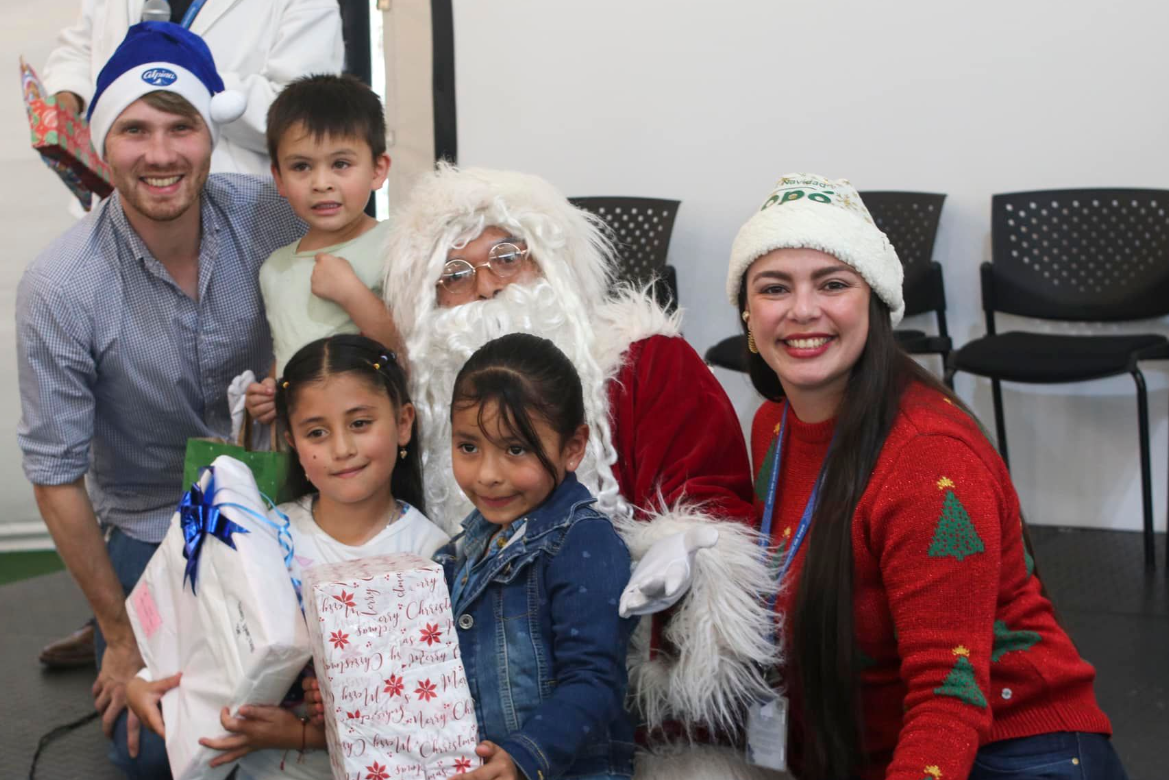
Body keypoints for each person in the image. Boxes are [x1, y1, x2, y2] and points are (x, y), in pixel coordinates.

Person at [380, 165, 778, 778]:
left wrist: (673, 551)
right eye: (454, 274)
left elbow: (714, 506)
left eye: (508, 257)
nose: (487, 286)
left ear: (553, 262)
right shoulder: (421, 413)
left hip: (636, 727)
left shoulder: (649, 362)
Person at [728, 174, 1124, 780]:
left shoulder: (928, 461)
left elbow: (950, 693)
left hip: (1011, 751)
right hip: (881, 748)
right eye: (774, 288)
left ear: (876, 305)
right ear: (749, 318)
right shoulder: (772, 429)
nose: (803, 310)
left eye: (833, 284)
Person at [16, 22, 303, 778]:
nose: (161, 153)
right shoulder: (62, 287)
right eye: (135, 129)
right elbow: (55, 478)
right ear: (104, 144)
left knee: (324, 695)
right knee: (149, 750)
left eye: (183, 127)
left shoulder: (272, 214)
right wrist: (119, 637)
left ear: (210, 136)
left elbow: (358, 281)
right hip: (154, 515)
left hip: (287, 498)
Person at [126, 335, 448, 779]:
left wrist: (297, 733)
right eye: (317, 432)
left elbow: (421, 717)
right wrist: (144, 682)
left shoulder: (431, 556)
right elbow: (202, 625)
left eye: (360, 423)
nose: (341, 449)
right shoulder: (264, 533)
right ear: (291, 440)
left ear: (403, 422)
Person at [433, 332, 636, 780]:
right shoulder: (458, 551)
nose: (487, 475)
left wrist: (526, 756)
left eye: (515, 449)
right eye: (469, 446)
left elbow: (595, 680)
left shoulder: (583, 542)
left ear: (572, 447)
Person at [246, 74, 402, 426]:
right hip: (300, 443)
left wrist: (352, 294)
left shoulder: (395, 243)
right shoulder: (275, 267)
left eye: (341, 164)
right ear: (280, 179)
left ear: (378, 170)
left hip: (370, 439)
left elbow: (408, 351)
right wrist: (270, 389)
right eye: (301, 167)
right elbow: (287, 347)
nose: (321, 183)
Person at [42, 0, 344, 176]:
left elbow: (303, 116)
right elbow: (81, 48)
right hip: (121, 191)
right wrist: (68, 95)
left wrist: (188, 77)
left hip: (233, 203)